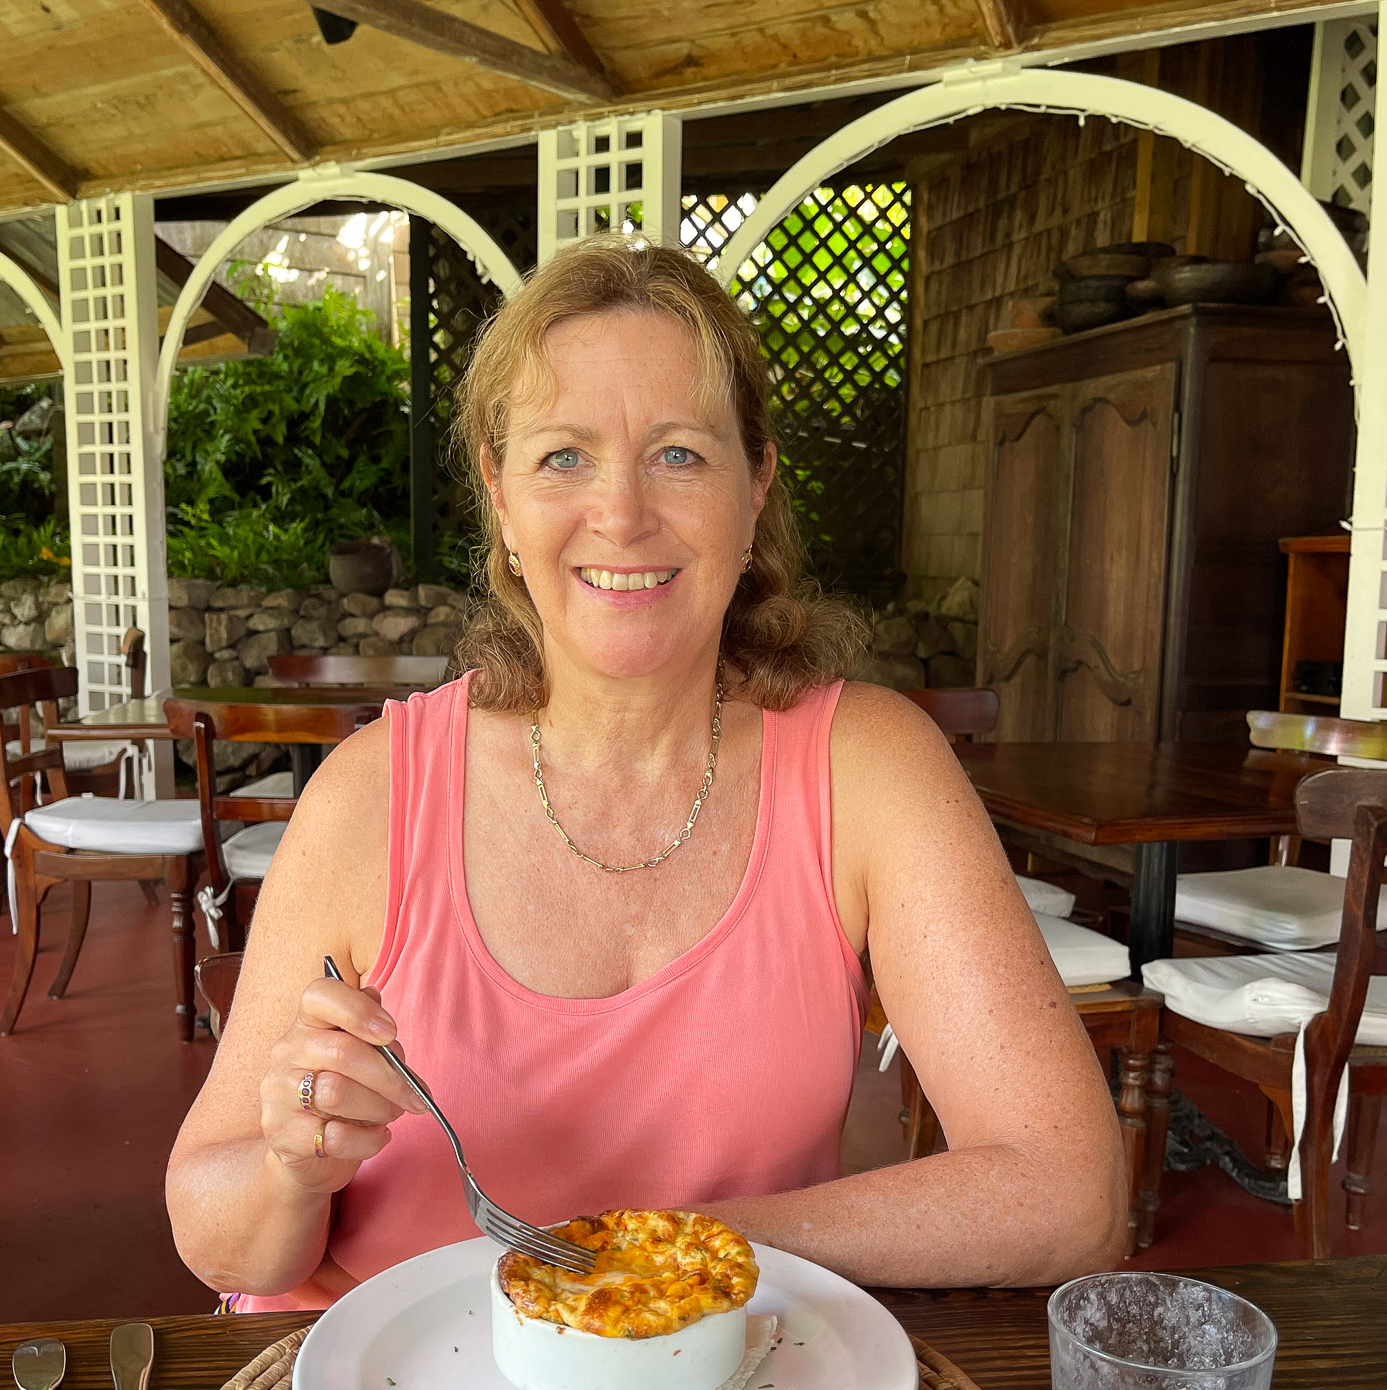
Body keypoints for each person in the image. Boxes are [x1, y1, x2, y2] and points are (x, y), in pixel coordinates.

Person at [167, 236, 1125, 1310]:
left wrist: (665, 1259)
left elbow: (1069, 1191)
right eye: (562, 456)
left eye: (679, 454)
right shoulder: (370, 792)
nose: (620, 515)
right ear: (499, 493)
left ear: (755, 484)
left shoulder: (867, 768)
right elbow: (221, 1241)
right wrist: (294, 1169)